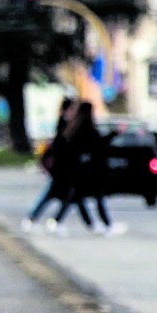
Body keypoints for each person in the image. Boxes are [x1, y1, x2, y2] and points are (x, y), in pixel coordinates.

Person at [53, 101, 122, 235]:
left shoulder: (73, 128)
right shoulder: (87, 129)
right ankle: (107, 225)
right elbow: (99, 145)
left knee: (76, 198)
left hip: (78, 171)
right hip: (88, 171)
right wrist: (114, 134)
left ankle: (60, 222)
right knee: (94, 198)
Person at [22, 98, 91, 231]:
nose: (74, 112)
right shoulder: (64, 125)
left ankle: (49, 220)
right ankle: (37, 219)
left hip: (65, 169)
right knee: (57, 195)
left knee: (71, 196)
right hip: (62, 169)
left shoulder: (68, 125)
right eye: (72, 109)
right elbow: (60, 149)